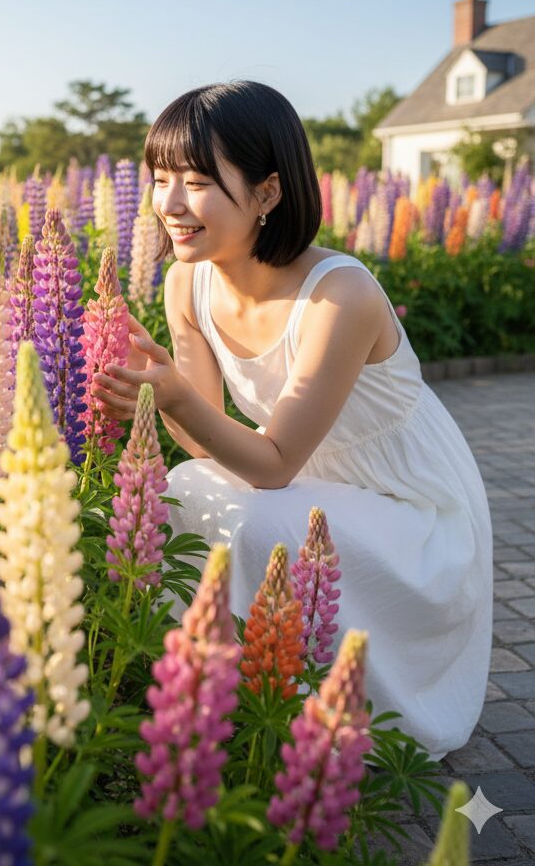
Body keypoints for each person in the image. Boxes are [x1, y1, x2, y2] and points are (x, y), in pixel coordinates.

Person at [91, 81, 492, 761]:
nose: (170, 205)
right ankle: (196, 702)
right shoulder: (188, 281)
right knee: (182, 489)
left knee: (262, 525)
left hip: (411, 513)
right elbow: (211, 446)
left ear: (269, 193)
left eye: (196, 181)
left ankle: (288, 712)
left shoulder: (341, 293)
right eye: (160, 179)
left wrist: (176, 398)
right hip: (300, 485)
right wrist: (168, 400)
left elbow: (272, 467)